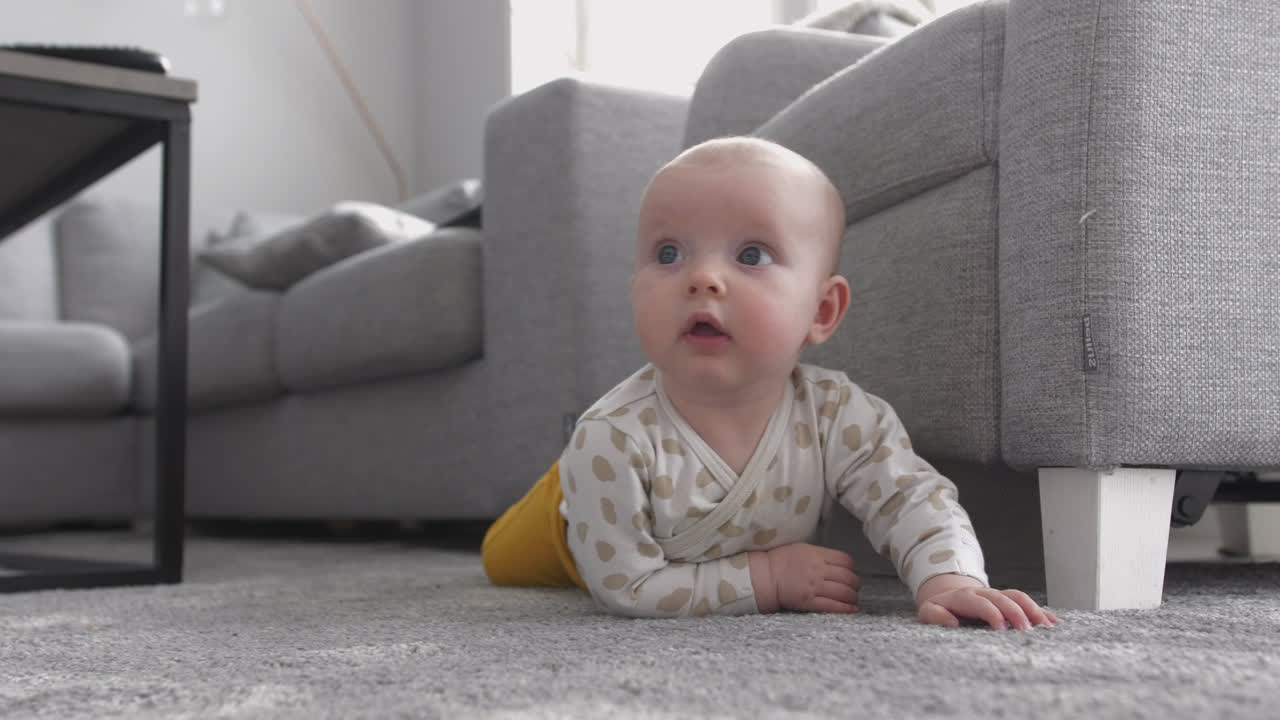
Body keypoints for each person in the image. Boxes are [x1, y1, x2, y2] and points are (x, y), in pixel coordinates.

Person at [482, 136, 1059, 630]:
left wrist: (948, 577)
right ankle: (548, 498)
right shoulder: (607, 441)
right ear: (634, 287)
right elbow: (625, 585)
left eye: (751, 254)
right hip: (575, 510)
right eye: (668, 253)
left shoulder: (837, 414)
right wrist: (767, 578)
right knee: (498, 558)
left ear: (822, 310)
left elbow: (911, 497)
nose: (703, 278)